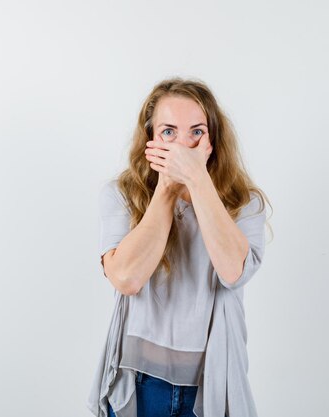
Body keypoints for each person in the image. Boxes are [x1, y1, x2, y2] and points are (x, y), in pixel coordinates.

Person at [87, 77, 273, 417]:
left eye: (196, 132)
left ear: (213, 139)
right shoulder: (121, 195)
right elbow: (127, 278)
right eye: (169, 132)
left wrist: (197, 179)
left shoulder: (244, 204)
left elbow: (233, 272)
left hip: (211, 385)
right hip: (140, 386)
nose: (182, 146)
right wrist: (168, 189)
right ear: (150, 138)